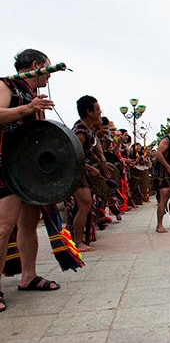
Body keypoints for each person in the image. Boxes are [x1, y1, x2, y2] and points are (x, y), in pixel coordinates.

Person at [0, 49, 59, 312]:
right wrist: (27, 108)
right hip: (5, 164)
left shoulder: (35, 96)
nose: (49, 73)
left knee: (29, 223)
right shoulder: (6, 85)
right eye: (47, 67)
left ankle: (28, 276)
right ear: (35, 65)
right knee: (3, 227)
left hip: (29, 169)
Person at [70, 95, 110, 252]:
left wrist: (102, 162)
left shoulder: (89, 129)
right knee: (85, 204)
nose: (100, 112)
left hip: (84, 172)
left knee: (86, 206)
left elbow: (95, 146)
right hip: (76, 174)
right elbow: (72, 157)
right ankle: (77, 241)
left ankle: (82, 238)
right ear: (89, 111)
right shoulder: (80, 132)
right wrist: (89, 168)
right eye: (98, 109)